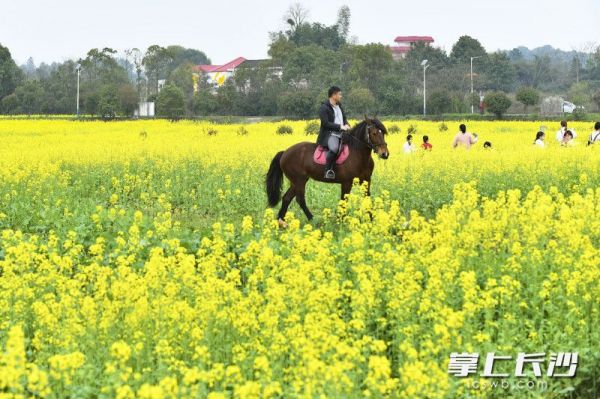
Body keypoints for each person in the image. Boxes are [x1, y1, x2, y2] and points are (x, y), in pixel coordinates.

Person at [317, 86, 350, 179]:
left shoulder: (339, 106)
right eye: (339, 94)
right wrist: (340, 127)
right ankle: (328, 170)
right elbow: (325, 123)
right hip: (330, 134)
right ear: (333, 95)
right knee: (334, 148)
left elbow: (344, 119)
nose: (341, 96)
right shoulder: (323, 108)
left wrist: (347, 125)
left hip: (342, 133)